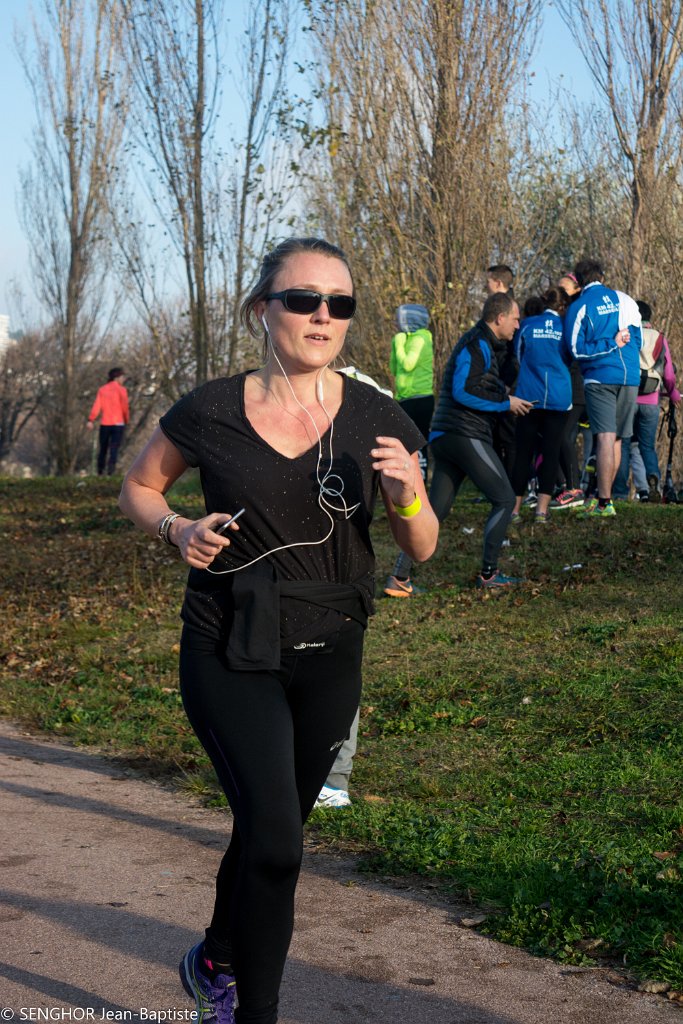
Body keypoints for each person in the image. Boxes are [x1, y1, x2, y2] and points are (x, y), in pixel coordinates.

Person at [118, 236, 438, 1024]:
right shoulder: (211, 409)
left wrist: (406, 493)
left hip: (332, 646)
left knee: (274, 831)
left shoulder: (378, 416)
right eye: (303, 300)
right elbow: (140, 486)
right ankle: (246, 1009)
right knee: (276, 842)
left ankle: (215, 957)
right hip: (230, 639)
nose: (323, 316)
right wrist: (176, 530)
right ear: (262, 310)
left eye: (340, 304)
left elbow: (422, 543)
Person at [385, 292, 533, 596]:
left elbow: (484, 382)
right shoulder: (476, 343)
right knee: (505, 499)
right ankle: (489, 574)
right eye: (515, 319)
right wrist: (506, 402)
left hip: (447, 436)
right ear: (500, 318)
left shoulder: (489, 346)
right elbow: (463, 391)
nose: (518, 325)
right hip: (463, 434)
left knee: (434, 512)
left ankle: (399, 577)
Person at [563, 259, 642, 518]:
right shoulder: (626, 299)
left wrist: (608, 345)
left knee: (605, 437)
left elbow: (575, 350)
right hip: (630, 377)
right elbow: (638, 340)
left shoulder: (580, 306)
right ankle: (603, 499)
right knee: (617, 439)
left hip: (600, 377)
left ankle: (604, 502)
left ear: (578, 281)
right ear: (603, 276)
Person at [510, 286, 573, 522]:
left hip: (529, 396)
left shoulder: (527, 324)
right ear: (563, 306)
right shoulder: (565, 326)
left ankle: (514, 510)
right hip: (558, 396)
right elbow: (571, 356)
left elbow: (518, 355)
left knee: (523, 452)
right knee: (551, 452)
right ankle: (541, 511)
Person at [613, 300, 681, 501]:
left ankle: (619, 491)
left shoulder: (626, 334)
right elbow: (668, 374)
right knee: (647, 446)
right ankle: (654, 481)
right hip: (651, 400)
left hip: (628, 397)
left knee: (623, 444)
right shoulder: (659, 337)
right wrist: (673, 393)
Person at [389, 304, 434, 480]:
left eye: (399, 319)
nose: (395, 322)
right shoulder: (405, 338)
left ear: (409, 321)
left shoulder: (421, 339)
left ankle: (421, 481)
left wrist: (399, 343)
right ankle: (406, 480)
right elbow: (394, 369)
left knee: (419, 443)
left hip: (420, 399)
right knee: (404, 442)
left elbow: (408, 364)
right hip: (404, 398)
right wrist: (396, 345)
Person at [87, 367, 129, 475]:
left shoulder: (102, 389)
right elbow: (125, 407)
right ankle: (111, 471)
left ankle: (100, 471)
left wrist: (91, 419)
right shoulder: (122, 390)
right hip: (118, 424)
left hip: (105, 423)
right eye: (122, 377)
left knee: (103, 448)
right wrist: (126, 420)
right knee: (114, 448)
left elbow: (97, 406)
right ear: (117, 377)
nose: (123, 379)